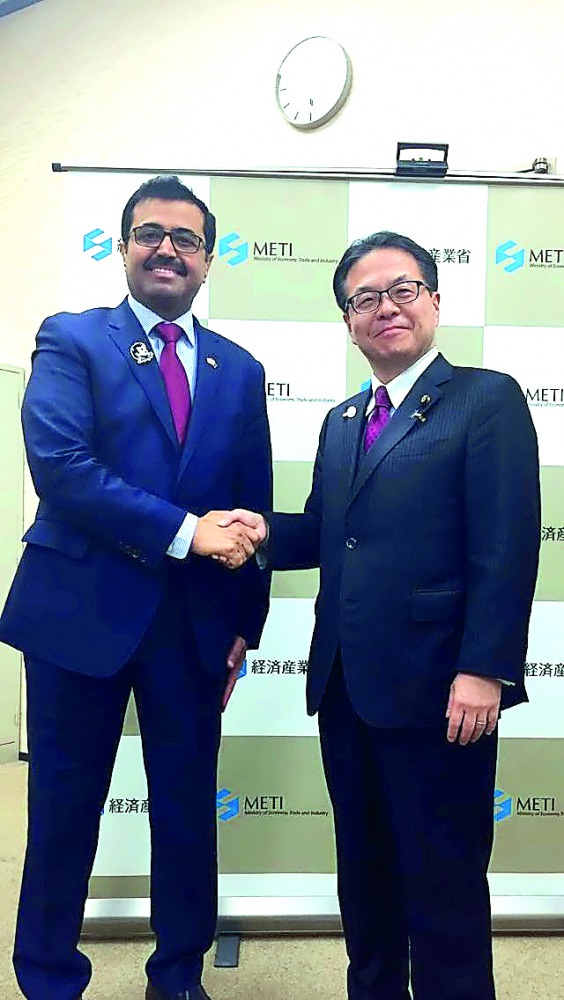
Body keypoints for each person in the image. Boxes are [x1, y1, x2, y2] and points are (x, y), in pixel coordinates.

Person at [221, 232, 540, 1000]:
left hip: (441, 692)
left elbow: (507, 545)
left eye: (402, 289)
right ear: (348, 320)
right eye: (365, 298)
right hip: (346, 688)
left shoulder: (485, 397)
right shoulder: (342, 419)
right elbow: (331, 529)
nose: (385, 308)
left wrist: (484, 668)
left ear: (435, 299)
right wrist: (261, 531)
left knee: (445, 885)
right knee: (364, 881)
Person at [0, 174, 271, 1000]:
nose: (167, 249)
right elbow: (63, 470)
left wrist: (245, 627)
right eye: (150, 233)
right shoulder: (72, 340)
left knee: (188, 811)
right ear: (122, 249)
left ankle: (178, 975)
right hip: (79, 616)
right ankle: (48, 978)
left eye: (186, 239)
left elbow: (251, 508)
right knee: (62, 813)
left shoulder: (239, 367)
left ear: (209, 258)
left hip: (191, 627)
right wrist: (188, 532)